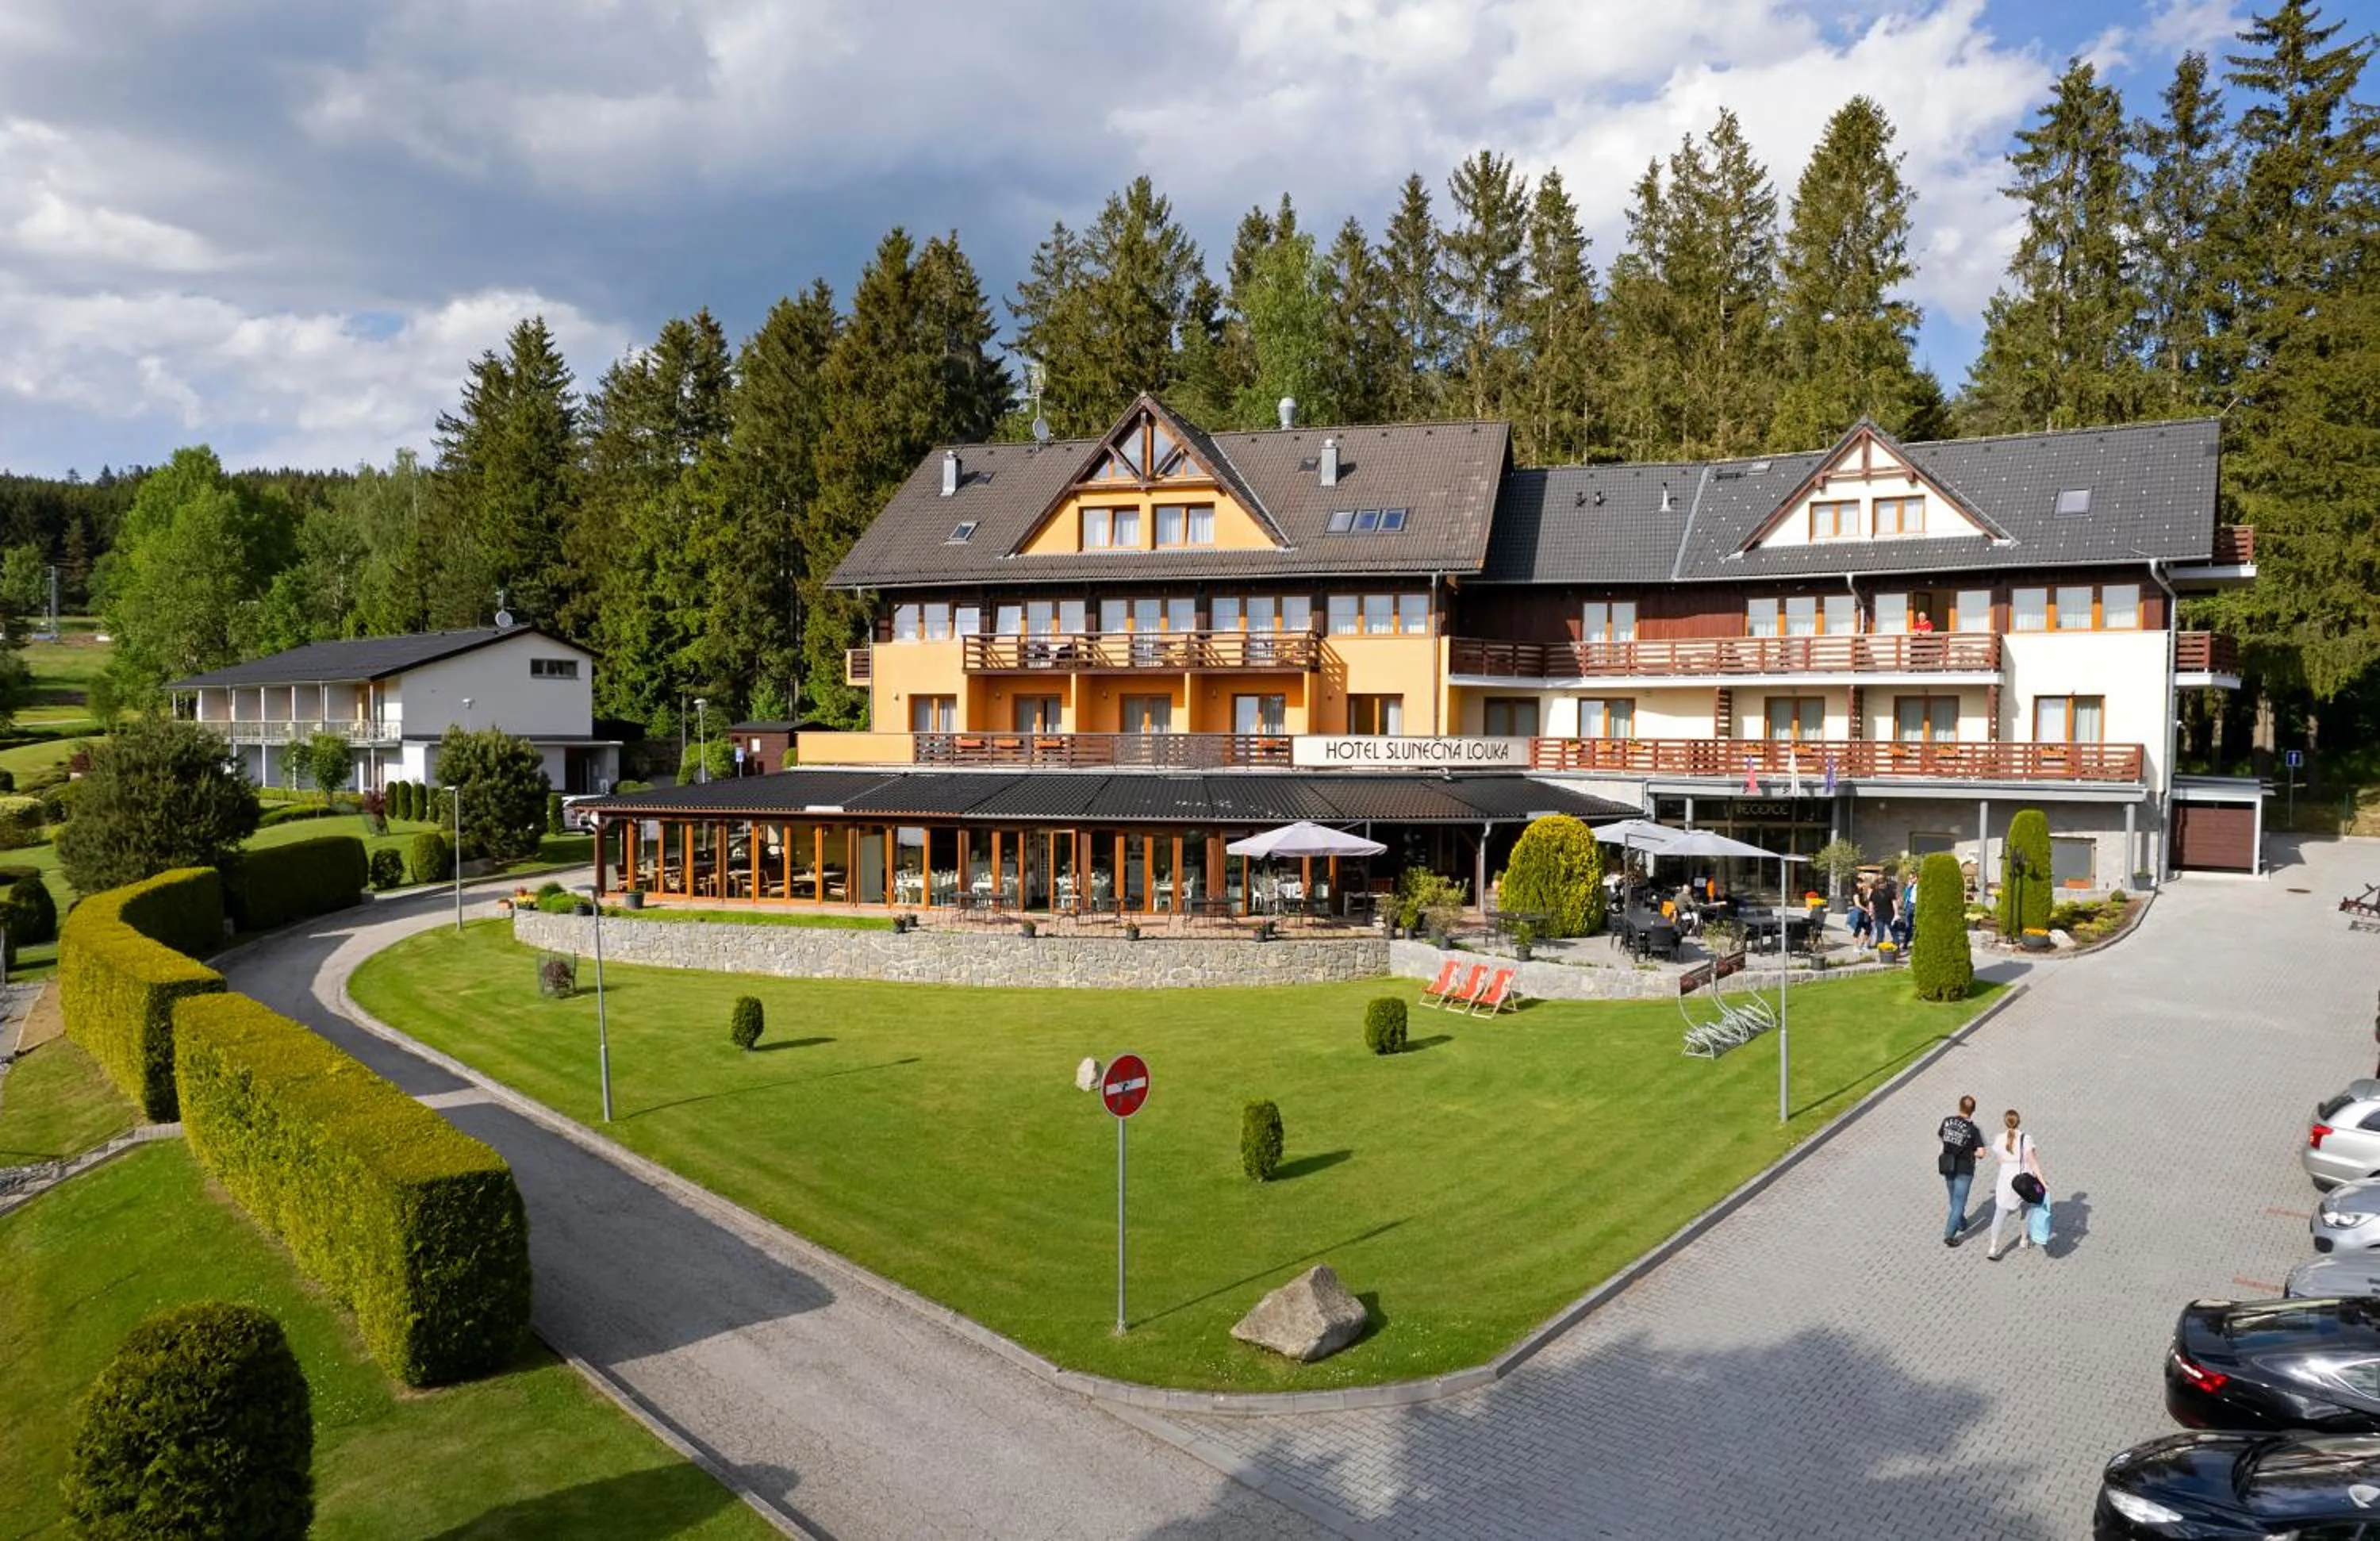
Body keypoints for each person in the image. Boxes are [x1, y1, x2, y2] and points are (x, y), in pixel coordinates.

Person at [1987, 1109, 2046, 1261]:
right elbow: (2033, 1162)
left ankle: (1993, 1247)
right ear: (2019, 1121)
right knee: (2025, 1211)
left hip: (2006, 1179)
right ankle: (2024, 1240)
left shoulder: (1999, 1138)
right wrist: (2043, 1181)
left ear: (2005, 1122)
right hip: (2023, 1180)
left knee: (2000, 1213)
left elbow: (1999, 1160)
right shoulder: (2026, 1139)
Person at [1937, 1095, 1987, 1246]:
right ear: (1973, 1110)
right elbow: (1981, 1153)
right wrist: (1970, 1151)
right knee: (1959, 1203)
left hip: (1948, 1165)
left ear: (1960, 1106)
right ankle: (1949, 1235)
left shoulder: (1947, 1121)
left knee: (1953, 1198)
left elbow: (1941, 1136)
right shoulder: (1974, 1130)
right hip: (1965, 1170)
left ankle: (1961, 1223)